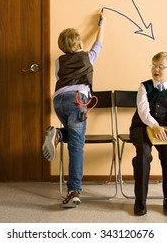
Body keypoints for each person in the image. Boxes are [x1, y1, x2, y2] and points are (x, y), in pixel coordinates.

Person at [42, 12, 106, 208]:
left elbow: (60, 78)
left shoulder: (58, 62)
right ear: (80, 45)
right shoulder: (88, 57)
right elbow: (99, 43)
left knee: (73, 136)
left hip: (59, 100)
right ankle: (74, 191)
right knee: (77, 145)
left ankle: (59, 134)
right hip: (77, 101)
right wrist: (102, 24)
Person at [130, 51, 167, 216]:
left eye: (161, 66)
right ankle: (140, 200)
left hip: (163, 129)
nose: (156, 69)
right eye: (154, 65)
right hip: (141, 127)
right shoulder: (144, 87)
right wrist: (155, 126)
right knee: (144, 154)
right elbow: (143, 111)